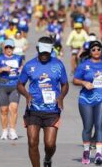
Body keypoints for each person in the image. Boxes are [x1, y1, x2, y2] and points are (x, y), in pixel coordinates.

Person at [17, 36, 69, 167]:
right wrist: (27, 95)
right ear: (37, 49)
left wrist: (61, 97)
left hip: (52, 110)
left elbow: (65, 84)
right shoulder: (29, 65)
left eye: (47, 52)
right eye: (42, 52)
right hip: (33, 110)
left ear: (51, 50)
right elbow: (20, 84)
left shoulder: (58, 65)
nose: (44, 55)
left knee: (50, 144)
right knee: (32, 142)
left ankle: (47, 158)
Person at [0, 39, 23, 140]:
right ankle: (4, 131)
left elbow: (22, 68)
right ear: (4, 48)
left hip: (15, 86)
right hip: (3, 86)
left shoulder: (18, 58)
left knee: (14, 108)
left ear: (13, 48)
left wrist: (22, 71)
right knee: (4, 110)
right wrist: (2, 69)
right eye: (7, 47)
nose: (9, 49)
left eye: (11, 47)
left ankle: (13, 131)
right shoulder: (0, 58)